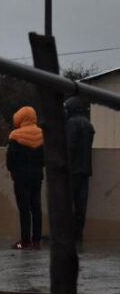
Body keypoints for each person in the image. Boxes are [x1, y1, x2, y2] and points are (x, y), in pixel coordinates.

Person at [6, 106, 45, 250]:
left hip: (21, 177)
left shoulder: (15, 135)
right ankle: (36, 241)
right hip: (37, 175)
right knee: (36, 207)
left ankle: (25, 240)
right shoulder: (42, 134)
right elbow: (45, 158)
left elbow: (10, 158)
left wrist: (12, 170)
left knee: (24, 209)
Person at [64, 96, 95, 242]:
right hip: (85, 169)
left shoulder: (72, 123)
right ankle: (78, 235)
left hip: (72, 170)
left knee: (66, 203)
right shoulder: (88, 124)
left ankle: (67, 235)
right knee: (81, 205)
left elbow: (70, 147)